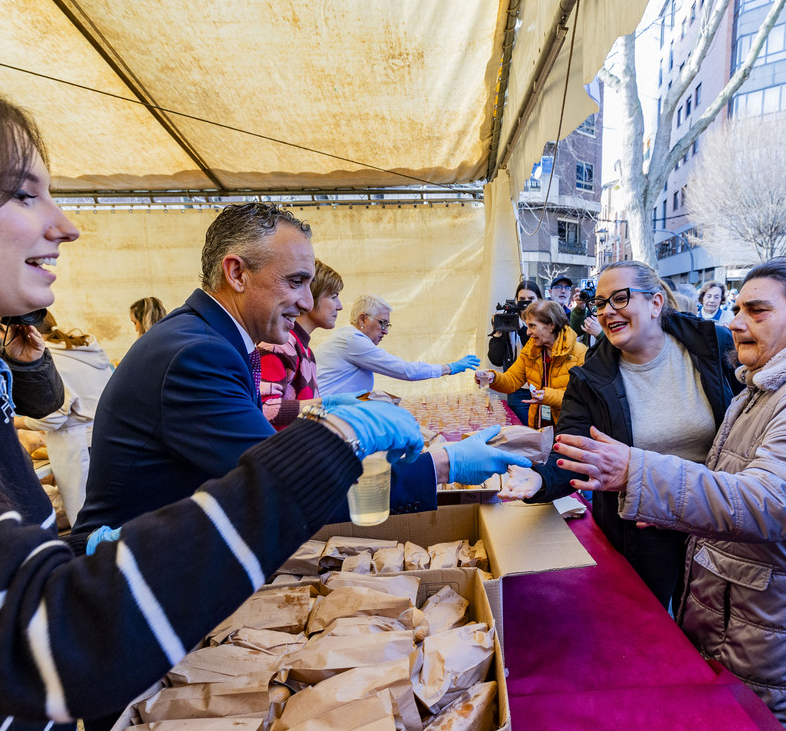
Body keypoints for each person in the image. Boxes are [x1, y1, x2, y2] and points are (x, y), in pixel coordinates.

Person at [0, 62, 428, 731]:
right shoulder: (193, 354)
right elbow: (54, 637)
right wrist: (334, 442)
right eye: (23, 194)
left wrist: (80, 547)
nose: (65, 224)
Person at [552, 258, 786, 731]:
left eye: (757, 311)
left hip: (781, 629)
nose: (737, 322)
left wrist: (640, 474)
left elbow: (773, 502)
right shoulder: (774, 379)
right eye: (738, 309)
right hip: (751, 612)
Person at [79, 205, 524, 539]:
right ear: (236, 272)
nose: (308, 302)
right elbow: (283, 488)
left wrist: (321, 413)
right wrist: (443, 464)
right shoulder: (197, 355)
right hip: (125, 578)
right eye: (295, 282)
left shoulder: (214, 340)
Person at [499, 260, 741, 609]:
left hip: (716, 523)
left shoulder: (712, 347)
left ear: (656, 303)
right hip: (642, 532)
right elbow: (574, 452)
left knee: (710, 636)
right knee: (652, 631)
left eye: (620, 298)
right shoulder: (590, 378)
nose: (608, 311)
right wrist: (537, 480)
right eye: (600, 303)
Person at [18, 312, 113, 520]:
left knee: (86, 516)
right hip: (104, 437)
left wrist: (16, 422)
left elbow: (54, 416)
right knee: (106, 514)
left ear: (25, 331)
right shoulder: (80, 348)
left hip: (77, 445)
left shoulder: (48, 359)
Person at [316, 293, 480, 395]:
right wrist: (449, 368)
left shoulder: (349, 338)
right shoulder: (352, 340)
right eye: (383, 323)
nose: (385, 331)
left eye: (388, 325)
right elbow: (406, 370)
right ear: (362, 318)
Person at [255, 258, 343, 429]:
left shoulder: (307, 351)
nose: (339, 306)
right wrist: (328, 404)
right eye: (333, 297)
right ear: (309, 297)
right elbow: (264, 408)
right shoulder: (279, 345)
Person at [473, 300, 587, 429]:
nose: (528, 332)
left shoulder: (580, 353)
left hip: (569, 429)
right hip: (540, 426)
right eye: (527, 326)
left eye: (532, 326)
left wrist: (548, 396)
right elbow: (512, 380)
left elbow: (582, 398)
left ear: (552, 326)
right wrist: (492, 378)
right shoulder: (531, 349)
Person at [489, 279, 541, 425]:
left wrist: (522, 328)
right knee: (522, 431)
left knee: (540, 431)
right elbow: (496, 359)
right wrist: (498, 332)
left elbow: (536, 351)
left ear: (539, 300)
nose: (526, 303)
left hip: (540, 388)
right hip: (517, 389)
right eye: (522, 299)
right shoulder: (509, 319)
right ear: (516, 300)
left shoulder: (545, 322)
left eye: (531, 299)